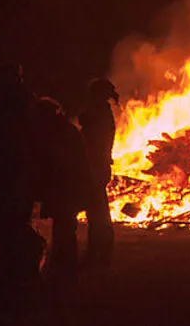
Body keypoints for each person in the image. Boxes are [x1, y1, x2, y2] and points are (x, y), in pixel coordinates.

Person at [0, 64, 43, 280]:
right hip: (18, 169)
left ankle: (12, 265)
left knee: (4, 222)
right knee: (18, 219)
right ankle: (21, 267)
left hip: (3, 169)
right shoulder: (26, 102)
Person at [31, 97, 93, 280]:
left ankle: (65, 267)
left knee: (64, 227)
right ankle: (63, 265)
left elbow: (57, 162)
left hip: (67, 188)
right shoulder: (63, 129)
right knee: (64, 226)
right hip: (68, 188)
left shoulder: (58, 132)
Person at [78, 78, 118, 268]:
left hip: (95, 166)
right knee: (97, 210)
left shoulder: (99, 114)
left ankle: (99, 252)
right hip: (98, 166)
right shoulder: (102, 112)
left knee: (97, 211)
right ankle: (98, 251)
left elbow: (95, 142)